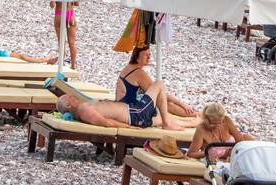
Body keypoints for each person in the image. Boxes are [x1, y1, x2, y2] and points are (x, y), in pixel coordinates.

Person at [56, 47, 196, 131]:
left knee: (160, 117)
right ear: (68, 104)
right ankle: (168, 124)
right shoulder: (83, 110)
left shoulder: (84, 107)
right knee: (159, 84)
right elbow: (105, 123)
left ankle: (196, 122)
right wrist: (128, 128)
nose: (73, 96)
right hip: (134, 114)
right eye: (70, 97)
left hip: (134, 113)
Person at [51, 0, 78, 68]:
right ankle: (73, 65)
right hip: (70, 14)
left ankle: (61, 64)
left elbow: (52, 5)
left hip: (59, 13)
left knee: (61, 42)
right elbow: (77, 3)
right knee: (72, 43)